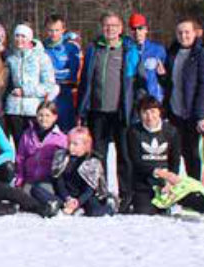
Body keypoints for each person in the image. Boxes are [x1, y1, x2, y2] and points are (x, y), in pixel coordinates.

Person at [128, 97, 204, 219]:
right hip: (145, 181)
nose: (149, 117)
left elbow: (175, 160)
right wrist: (159, 173)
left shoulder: (171, 131)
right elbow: (136, 161)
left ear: (159, 112)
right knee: (145, 211)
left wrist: (169, 179)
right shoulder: (134, 132)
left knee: (185, 192)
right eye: (145, 112)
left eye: (153, 111)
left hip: (167, 179)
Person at [77, 11, 139, 211]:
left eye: (114, 26)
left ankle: (126, 196)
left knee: (124, 155)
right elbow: (85, 81)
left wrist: (135, 106)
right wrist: (82, 108)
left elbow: (138, 81)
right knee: (98, 155)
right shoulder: (94, 49)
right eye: (106, 25)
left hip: (121, 111)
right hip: (97, 110)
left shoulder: (128, 50)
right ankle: (100, 192)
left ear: (121, 28)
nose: (110, 29)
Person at [161, 17, 204, 181]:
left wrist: (201, 116)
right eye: (180, 32)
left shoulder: (202, 54)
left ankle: (195, 188)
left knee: (193, 153)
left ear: (195, 33)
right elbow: (171, 85)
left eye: (187, 32)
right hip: (175, 112)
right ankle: (173, 187)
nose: (183, 36)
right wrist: (162, 76)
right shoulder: (172, 53)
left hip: (193, 114)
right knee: (176, 152)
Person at [35, 127, 116, 217]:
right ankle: (58, 205)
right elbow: (59, 181)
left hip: (84, 197)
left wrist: (78, 202)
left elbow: (90, 189)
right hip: (64, 195)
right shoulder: (61, 156)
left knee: (94, 211)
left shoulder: (92, 161)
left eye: (75, 144)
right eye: (69, 143)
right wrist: (67, 198)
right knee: (36, 189)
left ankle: (109, 206)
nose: (70, 147)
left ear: (85, 145)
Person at [4, 24, 58, 147]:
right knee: (19, 146)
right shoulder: (11, 58)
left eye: (23, 36)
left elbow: (49, 85)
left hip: (33, 110)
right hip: (14, 109)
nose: (19, 39)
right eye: (17, 36)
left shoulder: (41, 57)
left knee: (34, 145)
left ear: (30, 38)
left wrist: (25, 91)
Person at [15, 101, 68, 192]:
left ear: (55, 117)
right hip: (29, 180)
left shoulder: (62, 138)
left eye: (47, 115)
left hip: (48, 181)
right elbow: (20, 158)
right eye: (40, 115)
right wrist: (20, 178)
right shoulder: (27, 134)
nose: (43, 119)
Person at [43, 15, 82, 132]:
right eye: (50, 30)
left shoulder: (70, 47)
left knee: (66, 127)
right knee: (48, 126)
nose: (53, 34)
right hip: (48, 91)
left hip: (66, 91)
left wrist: (56, 74)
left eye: (57, 30)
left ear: (63, 30)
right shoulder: (42, 47)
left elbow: (75, 72)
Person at [129, 13, 167, 103]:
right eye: (133, 29)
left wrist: (163, 75)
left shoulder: (158, 50)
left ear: (146, 29)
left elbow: (167, 77)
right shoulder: (127, 50)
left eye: (140, 28)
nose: (137, 32)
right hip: (134, 100)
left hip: (154, 99)